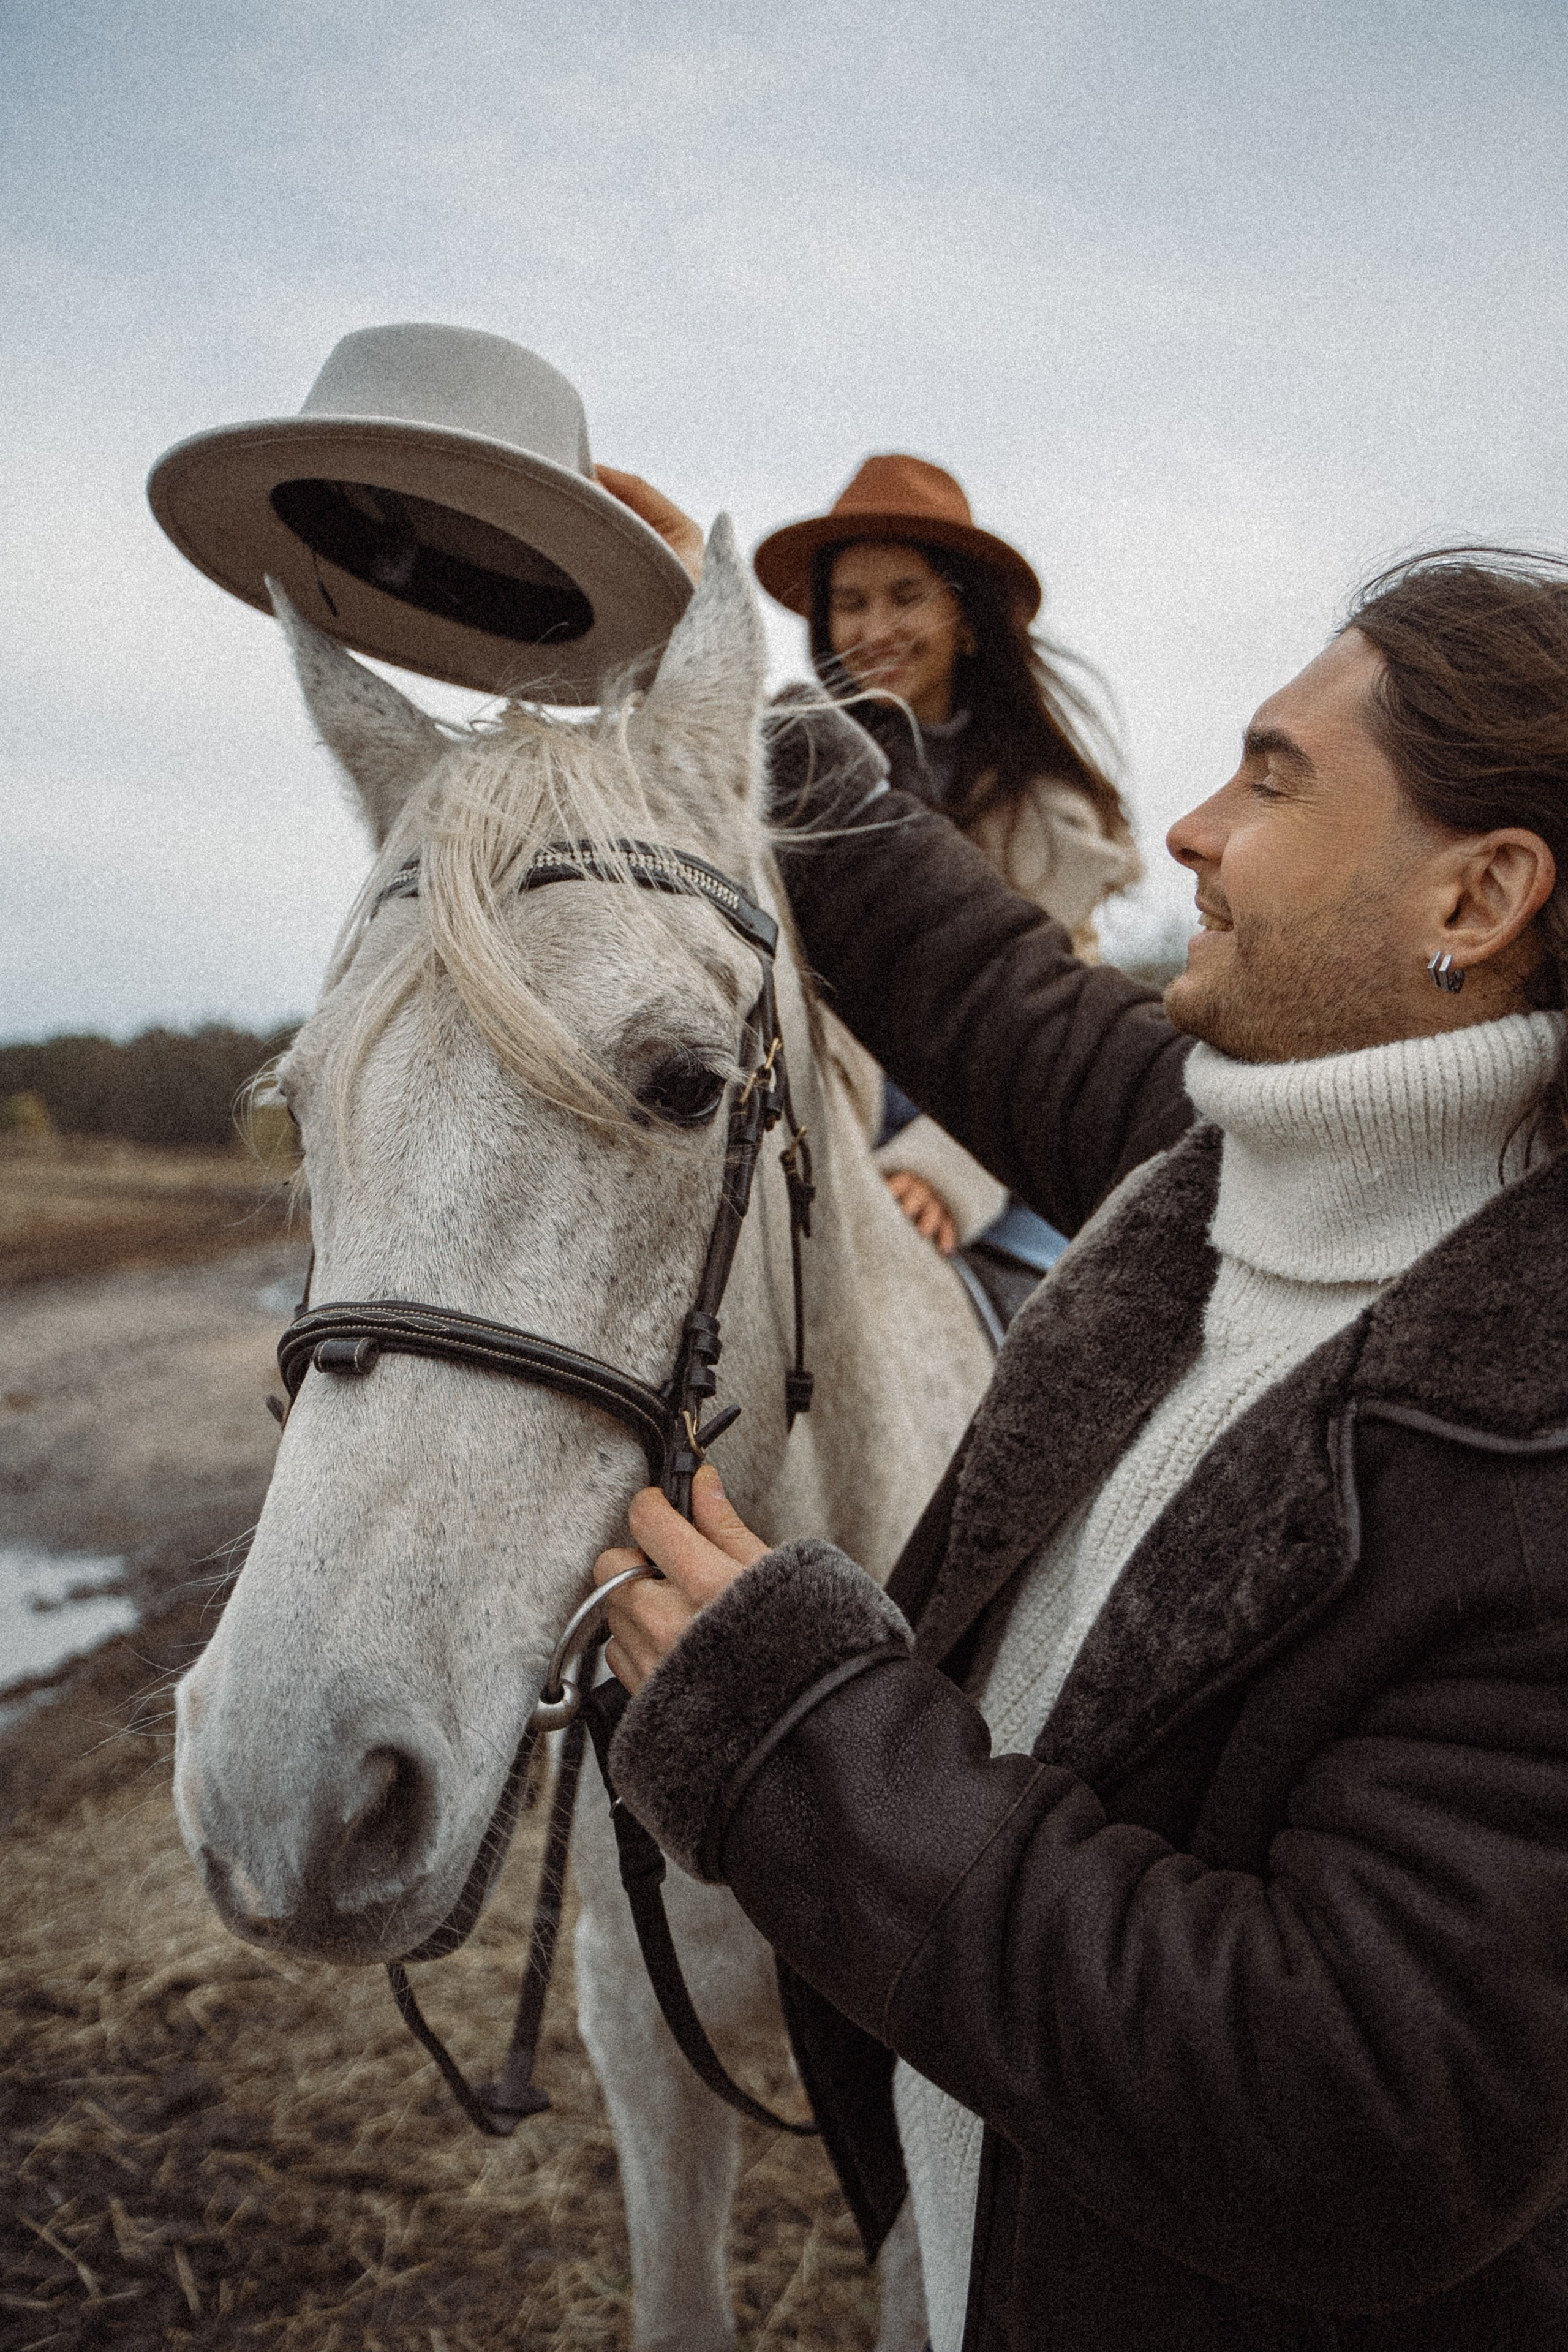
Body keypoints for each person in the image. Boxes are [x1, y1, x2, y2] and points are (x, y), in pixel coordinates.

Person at [587, 527, 1568, 2350]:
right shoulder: (1234, 1173)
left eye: (1272, 776)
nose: (1192, 828)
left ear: (1479, 894)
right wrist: (684, 637)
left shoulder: (1538, 1450)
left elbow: (1354, 2108)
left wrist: (801, 1738)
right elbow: (973, 975)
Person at [751, 455, 1141, 1307]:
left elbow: (1046, 1017)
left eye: (905, 595)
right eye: (849, 603)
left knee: (1062, 1336)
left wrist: (943, 1175)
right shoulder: (782, 778)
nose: (873, 626)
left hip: (989, 1148)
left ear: (967, 621)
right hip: (814, 1129)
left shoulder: (1049, 821)